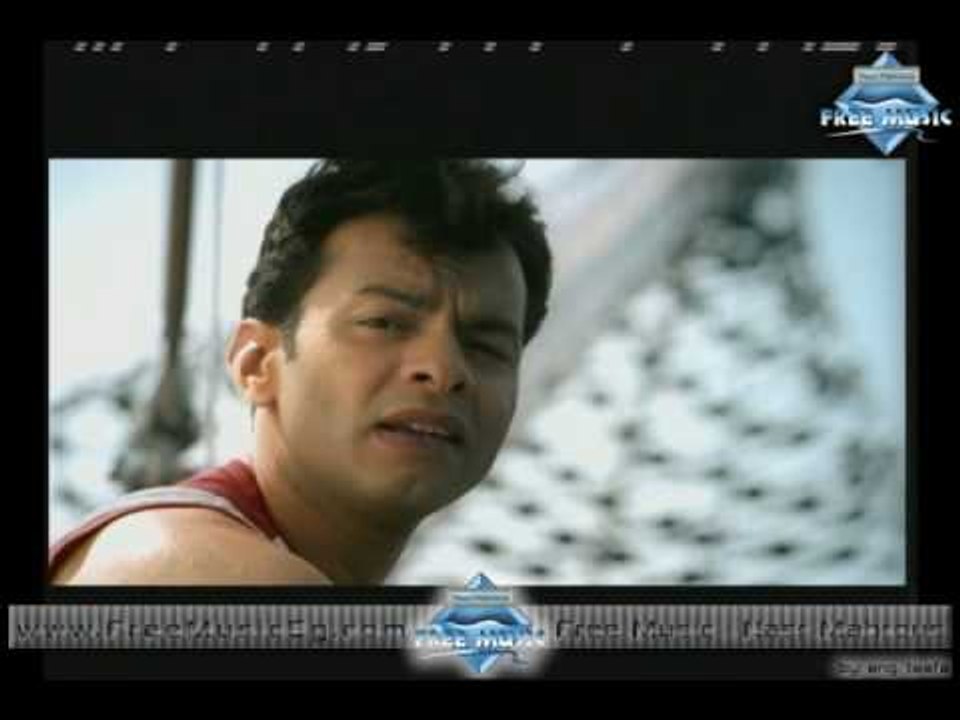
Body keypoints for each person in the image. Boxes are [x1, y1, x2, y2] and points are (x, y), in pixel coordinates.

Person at [49, 159, 552, 585]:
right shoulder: (202, 569)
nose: (444, 370)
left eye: (486, 346)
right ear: (255, 363)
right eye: (383, 323)